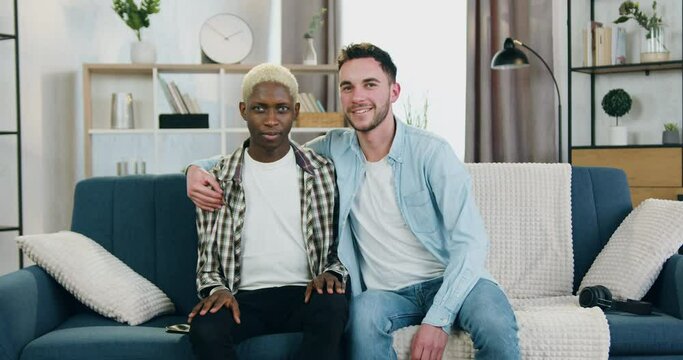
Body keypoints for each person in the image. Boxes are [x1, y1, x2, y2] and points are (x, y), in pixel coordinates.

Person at [187, 44, 520, 360]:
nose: (358, 96)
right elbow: (264, 152)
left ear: (394, 91)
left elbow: (471, 242)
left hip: (451, 277)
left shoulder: (432, 153)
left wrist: (438, 318)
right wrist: (193, 169)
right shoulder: (332, 150)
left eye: (370, 84)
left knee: (494, 324)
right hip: (385, 293)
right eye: (348, 87)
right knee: (360, 321)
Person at [187, 63, 348, 360]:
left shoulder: (323, 171)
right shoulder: (217, 179)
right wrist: (216, 290)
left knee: (334, 305)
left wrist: (331, 272)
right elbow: (207, 262)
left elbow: (341, 245)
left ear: (296, 110)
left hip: (306, 293)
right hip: (242, 299)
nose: (272, 120)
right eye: (260, 108)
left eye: (282, 109)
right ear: (243, 110)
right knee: (204, 326)